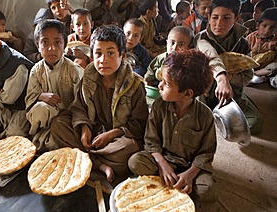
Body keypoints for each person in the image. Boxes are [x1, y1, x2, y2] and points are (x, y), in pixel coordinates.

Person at [51, 25, 149, 182]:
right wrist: (84, 128)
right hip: (95, 132)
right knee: (58, 124)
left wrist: (112, 134)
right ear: (92, 56)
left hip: (118, 139)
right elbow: (78, 108)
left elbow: (139, 124)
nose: (103, 60)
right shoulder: (88, 78)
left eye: (110, 53)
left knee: (128, 150)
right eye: (98, 54)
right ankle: (100, 164)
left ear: (122, 55)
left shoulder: (135, 85)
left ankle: (87, 159)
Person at [129, 49, 217, 201]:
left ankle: (178, 180)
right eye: (161, 81)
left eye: (166, 84)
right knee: (135, 162)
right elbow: (151, 140)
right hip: (163, 158)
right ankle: (170, 178)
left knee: (206, 190)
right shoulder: (158, 106)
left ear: (188, 94)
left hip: (189, 165)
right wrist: (163, 164)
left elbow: (206, 153)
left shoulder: (205, 116)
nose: (160, 86)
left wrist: (190, 173)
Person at [195, 0, 263, 134]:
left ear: (236, 19)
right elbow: (211, 56)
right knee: (196, 120)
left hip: (231, 91)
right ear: (209, 17)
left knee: (254, 123)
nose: (219, 23)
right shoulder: (201, 38)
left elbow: (248, 75)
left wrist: (230, 78)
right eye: (215, 17)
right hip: (204, 92)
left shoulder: (242, 43)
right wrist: (221, 78)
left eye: (226, 18)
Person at [25, 20, 84, 152]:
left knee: (54, 141)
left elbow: (83, 104)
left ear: (64, 45)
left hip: (68, 121)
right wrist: (40, 96)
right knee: (40, 108)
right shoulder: (36, 70)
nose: (51, 48)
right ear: (37, 46)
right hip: (44, 123)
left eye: (57, 42)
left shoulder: (74, 70)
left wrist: (64, 113)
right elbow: (29, 100)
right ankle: (39, 135)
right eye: (45, 43)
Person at [247, 7, 277, 85]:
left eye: (272, 27)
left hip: (266, 68)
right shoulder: (251, 37)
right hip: (251, 64)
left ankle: (256, 75)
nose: (267, 30)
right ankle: (254, 76)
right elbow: (244, 54)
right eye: (264, 26)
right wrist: (255, 49)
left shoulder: (275, 40)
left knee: (274, 66)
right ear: (258, 25)